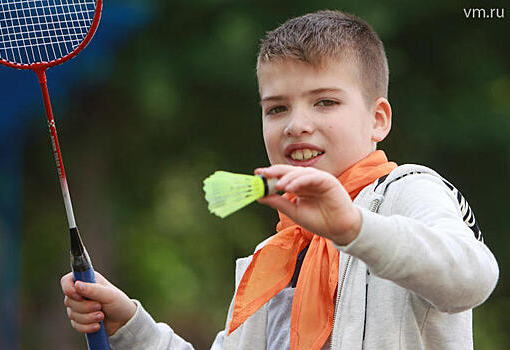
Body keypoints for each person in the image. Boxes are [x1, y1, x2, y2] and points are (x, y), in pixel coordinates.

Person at [60, 10, 499, 349]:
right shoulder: (273, 256)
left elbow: (474, 278)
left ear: (377, 119)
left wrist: (354, 229)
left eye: (325, 102)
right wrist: (130, 326)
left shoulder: (407, 191)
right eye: (277, 108)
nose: (297, 125)